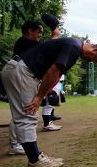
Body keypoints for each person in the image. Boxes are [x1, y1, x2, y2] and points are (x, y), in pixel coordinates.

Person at [1, 37, 97, 167]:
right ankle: (34, 160)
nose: (91, 61)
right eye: (94, 59)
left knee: (26, 114)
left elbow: (57, 75)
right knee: (27, 114)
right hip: (23, 72)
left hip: (24, 72)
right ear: (95, 50)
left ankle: (34, 157)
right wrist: (39, 97)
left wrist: (44, 93)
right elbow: (53, 71)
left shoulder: (74, 48)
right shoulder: (74, 46)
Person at [8, 20, 62, 154]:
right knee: (23, 112)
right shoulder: (24, 42)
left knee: (22, 111)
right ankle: (15, 145)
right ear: (30, 31)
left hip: (24, 77)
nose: (40, 35)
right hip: (22, 77)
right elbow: (48, 48)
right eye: (39, 32)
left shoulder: (25, 43)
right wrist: (55, 36)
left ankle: (17, 143)